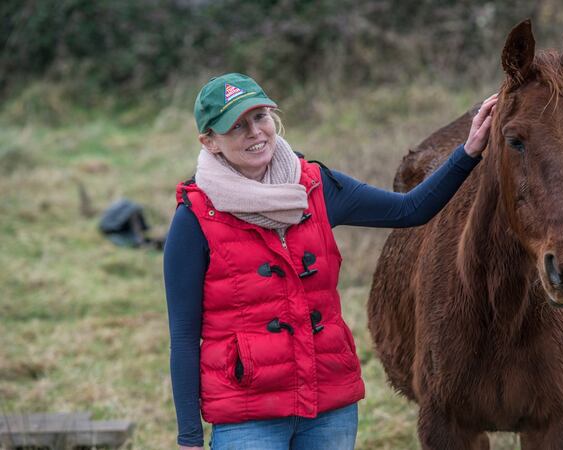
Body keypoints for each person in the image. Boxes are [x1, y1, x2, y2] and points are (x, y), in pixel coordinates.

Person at [163, 72, 497, 450]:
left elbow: (410, 210)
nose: (255, 132)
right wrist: (189, 437)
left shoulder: (317, 186)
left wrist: (468, 152)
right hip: (248, 417)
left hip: (328, 405)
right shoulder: (194, 218)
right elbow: (184, 337)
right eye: (236, 126)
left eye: (260, 117)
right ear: (210, 142)